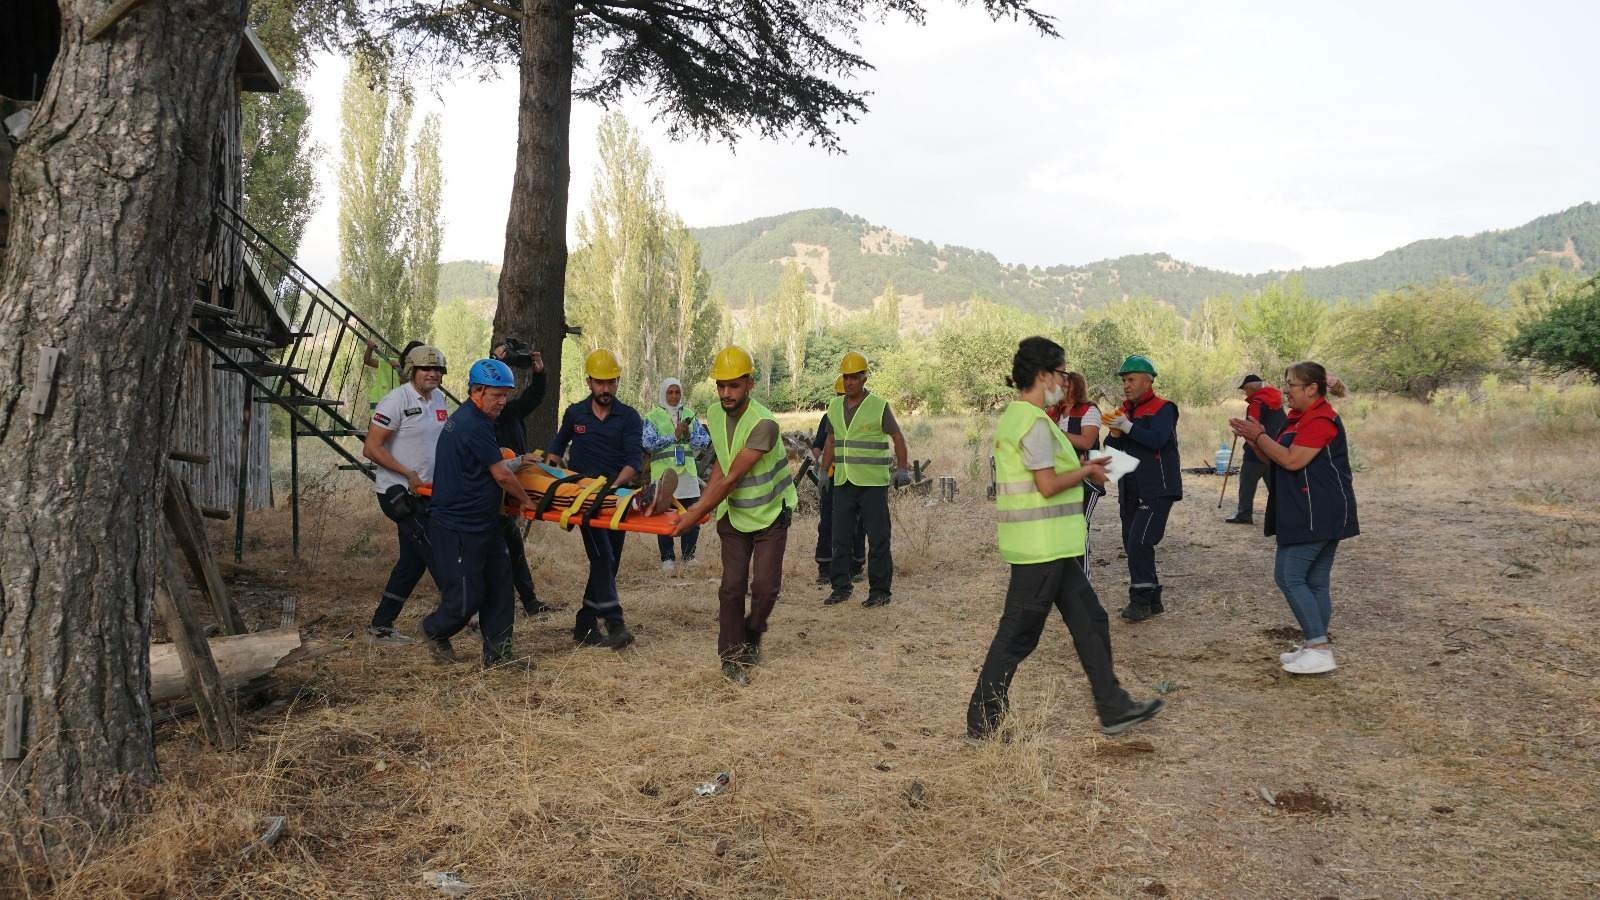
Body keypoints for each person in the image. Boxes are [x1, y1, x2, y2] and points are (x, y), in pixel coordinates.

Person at [967, 337, 1164, 739]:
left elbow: (1047, 475)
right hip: (1040, 547)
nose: (1064, 381)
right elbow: (1047, 485)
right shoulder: (1035, 423)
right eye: (1060, 373)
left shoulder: (1024, 417)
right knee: (1017, 636)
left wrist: (1085, 466)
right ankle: (983, 723)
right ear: (1043, 375)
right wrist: (1087, 471)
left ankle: (1114, 707)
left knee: (1091, 620)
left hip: (1052, 546)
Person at [671, 346, 797, 684]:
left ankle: (753, 634)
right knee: (731, 588)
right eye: (721, 385)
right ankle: (731, 658)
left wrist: (695, 513)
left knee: (765, 589)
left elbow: (732, 478)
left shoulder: (764, 424)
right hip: (734, 515)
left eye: (734, 386)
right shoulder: (714, 413)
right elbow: (722, 465)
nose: (726, 393)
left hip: (770, 514)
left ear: (750, 384)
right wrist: (700, 507)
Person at [1229, 362, 1358, 675]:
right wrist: (1253, 439)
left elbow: (1291, 460)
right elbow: (1273, 456)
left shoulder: (1321, 419)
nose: (1285, 390)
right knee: (1314, 581)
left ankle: (1319, 647)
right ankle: (1314, 645)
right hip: (1307, 509)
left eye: (1291, 384)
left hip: (1318, 511)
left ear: (1311, 389)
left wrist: (1260, 434)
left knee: (1289, 576)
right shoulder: (1296, 419)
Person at [419, 359, 538, 670]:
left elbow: (487, 465)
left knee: (500, 587)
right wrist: (527, 501)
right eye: (497, 395)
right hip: (458, 527)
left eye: (506, 395)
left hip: (484, 522)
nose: (503, 402)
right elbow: (501, 475)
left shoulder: (479, 420)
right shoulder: (471, 423)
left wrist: (520, 463)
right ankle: (434, 630)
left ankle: (499, 655)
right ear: (478, 391)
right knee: (466, 598)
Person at [546, 348, 643, 650]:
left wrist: (613, 487)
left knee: (609, 565)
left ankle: (585, 624)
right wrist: (549, 470)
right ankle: (615, 623)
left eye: (611, 382)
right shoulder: (575, 413)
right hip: (583, 501)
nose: (605, 389)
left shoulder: (629, 417)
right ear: (589, 382)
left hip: (617, 499)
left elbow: (633, 461)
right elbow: (557, 447)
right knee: (603, 558)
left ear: (617, 382)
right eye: (600, 382)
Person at [360, 344, 449, 645]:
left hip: (429, 492)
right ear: (412, 370)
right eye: (426, 369)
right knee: (436, 551)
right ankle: (466, 612)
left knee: (412, 562)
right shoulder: (395, 400)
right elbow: (371, 448)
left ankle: (380, 626)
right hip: (398, 493)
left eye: (437, 369)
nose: (432, 374)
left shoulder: (439, 399)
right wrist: (408, 473)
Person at [820, 351, 911, 608]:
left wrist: (902, 469)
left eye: (854, 377)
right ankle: (841, 588)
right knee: (840, 538)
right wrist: (824, 471)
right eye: (846, 377)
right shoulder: (834, 406)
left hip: (873, 484)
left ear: (864, 379)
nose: (849, 382)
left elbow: (897, 437)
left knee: (878, 538)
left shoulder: (878, 406)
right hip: (844, 482)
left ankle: (880, 591)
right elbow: (831, 440)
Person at [1104, 355, 1183, 622]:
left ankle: (1140, 601)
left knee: (1140, 541)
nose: (1126, 385)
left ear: (1148, 381)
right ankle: (1153, 599)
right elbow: (1111, 457)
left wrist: (1126, 426)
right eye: (1124, 380)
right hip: (1130, 488)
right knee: (1132, 542)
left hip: (1158, 487)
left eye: (1131, 379)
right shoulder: (1124, 412)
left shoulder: (1164, 408)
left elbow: (1157, 440)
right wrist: (1114, 434)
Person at [489, 339, 555, 615]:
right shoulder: (480, 420)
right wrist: (497, 359)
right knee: (494, 553)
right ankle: (480, 609)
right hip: (491, 494)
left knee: (514, 548)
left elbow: (535, 397)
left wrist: (538, 371)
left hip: (512, 490)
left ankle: (529, 602)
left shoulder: (511, 412)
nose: (501, 401)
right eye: (497, 395)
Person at [643, 377, 710, 572]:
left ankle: (689, 556)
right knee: (664, 516)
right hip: (663, 475)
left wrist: (688, 435)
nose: (674, 396)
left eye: (677, 392)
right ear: (663, 394)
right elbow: (647, 443)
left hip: (687, 474)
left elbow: (704, 441)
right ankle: (667, 558)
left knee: (692, 515)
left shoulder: (689, 414)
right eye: (670, 392)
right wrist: (673, 436)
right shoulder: (652, 416)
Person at [1049, 371, 1105, 569]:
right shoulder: (1054, 412)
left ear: (1077, 387)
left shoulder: (1089, 410)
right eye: (1061, 385)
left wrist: (1058, 433)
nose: (1061, 388)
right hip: (1063, 477)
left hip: (1088, 479)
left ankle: (1083, 574)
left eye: (1066, 385)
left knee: (1080, 524)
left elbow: (1086, 442)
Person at [812, 375, 864, 585]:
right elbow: (818, 445)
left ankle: (855, 566)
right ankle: (825, 568)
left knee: (857, 522)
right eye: (841, 395)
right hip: (833, 478)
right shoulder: (829, 416)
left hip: (857, 478)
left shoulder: (863, 416)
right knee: (828, 522)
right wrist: (822, 467)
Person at [1225, 373, 1287, 525]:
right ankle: (1283, 514)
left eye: (1245, 390)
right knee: (1274, 486)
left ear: (1251, 388)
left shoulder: (1256, 403)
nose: (1245, 393)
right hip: (1276, 449)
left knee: (1247, 483)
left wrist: (1241, 432)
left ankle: (1244, 514)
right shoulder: (1277, 402)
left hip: (1256, 450)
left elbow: (1252, 427)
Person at [364, 339, 422, 412]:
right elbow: (368, 361)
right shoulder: (390, 362)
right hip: (380, 408)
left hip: (398, 410)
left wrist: (399, 370)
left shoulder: (417, 372)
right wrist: (369, 348)